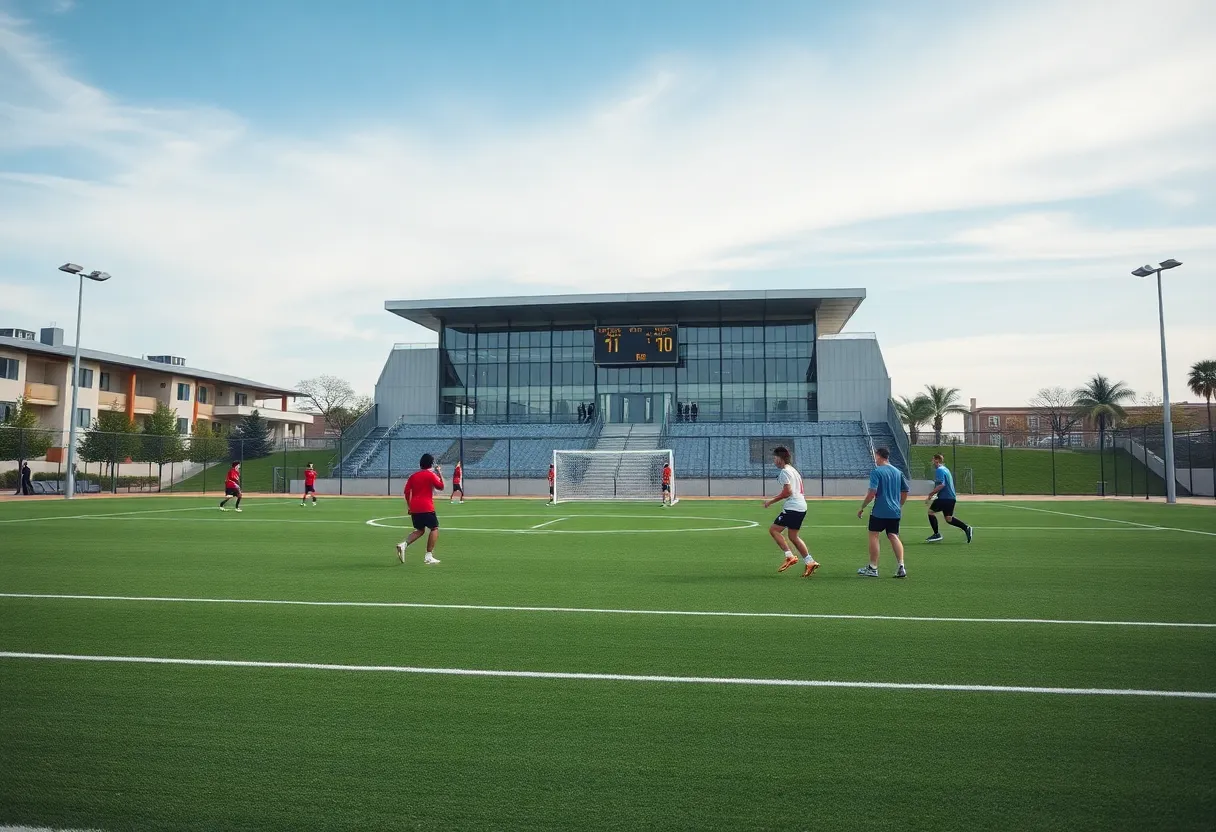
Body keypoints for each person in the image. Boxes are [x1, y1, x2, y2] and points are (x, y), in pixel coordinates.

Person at [765, 446, 819, 577]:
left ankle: (789, 556)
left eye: (775, 458)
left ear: (780, 458)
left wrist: (770, 501)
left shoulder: (785, 472)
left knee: (774, 530)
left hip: (793, 507)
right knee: (793, 536)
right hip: (801, 506)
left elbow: (787, 492)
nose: (774, 461)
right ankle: (810, 561)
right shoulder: (793, 470)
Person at [857, 448, 910, 578]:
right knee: (893, 535)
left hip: (880, 511)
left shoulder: (877, 471)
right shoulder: (898, 472)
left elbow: (872, 492)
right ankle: (901, 566)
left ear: (879, 456)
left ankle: (873, 567)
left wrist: (862, 506)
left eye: (875, 456)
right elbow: (905, 491)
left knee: (874, 535)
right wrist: (899, 504)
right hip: (894, 511)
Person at [396, 454, 443, 565]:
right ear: (431, 464)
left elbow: (406, 492)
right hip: (427, 506)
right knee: (434, 528)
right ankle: (428, 556)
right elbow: (440, 486)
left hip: (415, 507)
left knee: (420, 530)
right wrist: (439, 473)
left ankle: (404, 545)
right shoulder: (431, 475)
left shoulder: (413, 476)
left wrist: (409, 506)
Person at [925, 454, 973, 543]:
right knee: (949, 519)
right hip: (950, 498)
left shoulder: (939, 470)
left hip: (945, 497)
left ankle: (936, 534)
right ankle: (966, 528)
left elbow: (941, 485)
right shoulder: (945, 469)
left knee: (931, 512)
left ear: (937, 460)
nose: (931, 462)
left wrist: (931, 494)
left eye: (933, 460)